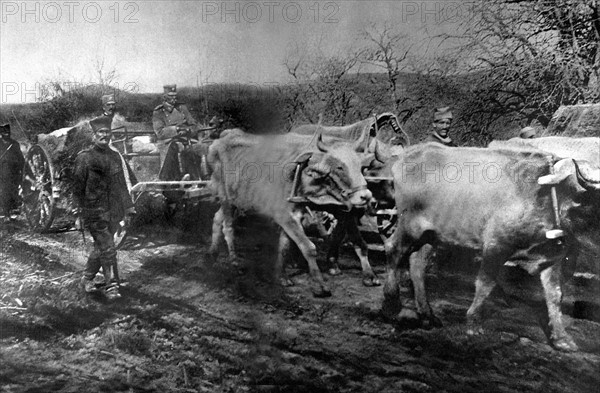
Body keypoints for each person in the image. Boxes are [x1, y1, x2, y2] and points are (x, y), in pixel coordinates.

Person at [73, 116, 136, 299]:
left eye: (107, 132)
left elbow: (122, 186)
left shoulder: (115, 156)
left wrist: (129, 208)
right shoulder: (85, 158)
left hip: (114, 211)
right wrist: (77, 213)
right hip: (94, 212)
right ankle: (111, 286)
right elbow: (77, 188)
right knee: (108, 248)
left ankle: (86, 278)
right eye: (101, 132)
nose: (104, 135)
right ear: (94, 135)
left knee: (101, 248)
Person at [0, 123, 25, 220]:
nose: (6, 133)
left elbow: (21, 158)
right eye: (3, 131)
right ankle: (6, 212)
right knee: (4, 191)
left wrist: (22, 169)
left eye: (7, 131)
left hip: (14, 172)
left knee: (13, 191)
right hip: (2, 172)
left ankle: (12, 211)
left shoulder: (14, 144)